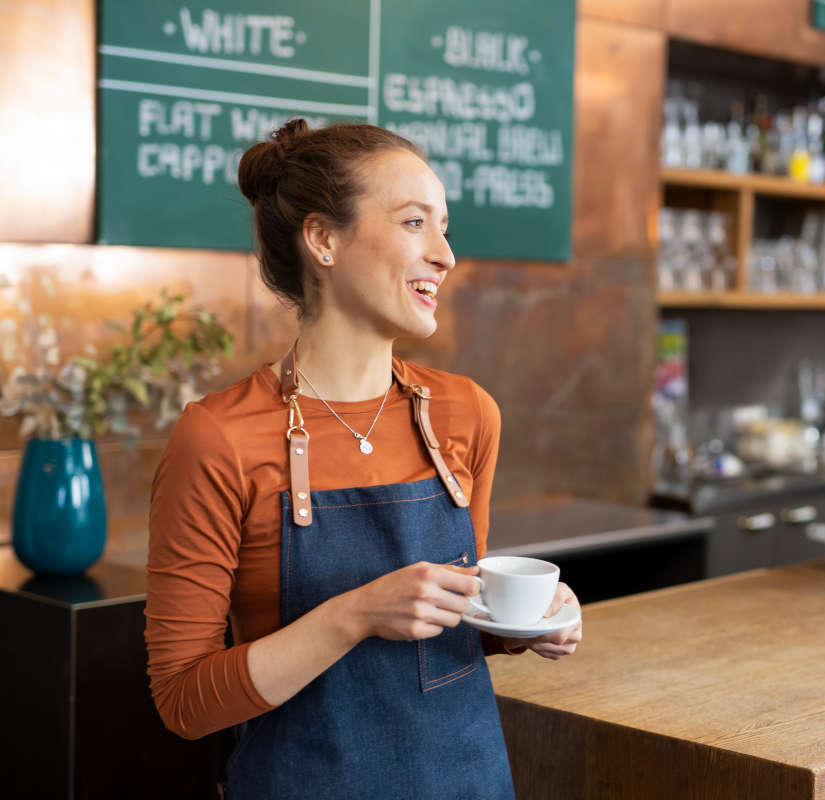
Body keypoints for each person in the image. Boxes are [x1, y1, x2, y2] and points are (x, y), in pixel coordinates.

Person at [144, 119, 583, 799]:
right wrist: (353, 614)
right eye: (415, 223)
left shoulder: (467, 414)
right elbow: (184, 703)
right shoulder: (218, 438)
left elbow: (459, 626)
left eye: (445, 227)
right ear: (323, 239)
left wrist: (527, 622)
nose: (445, 255)